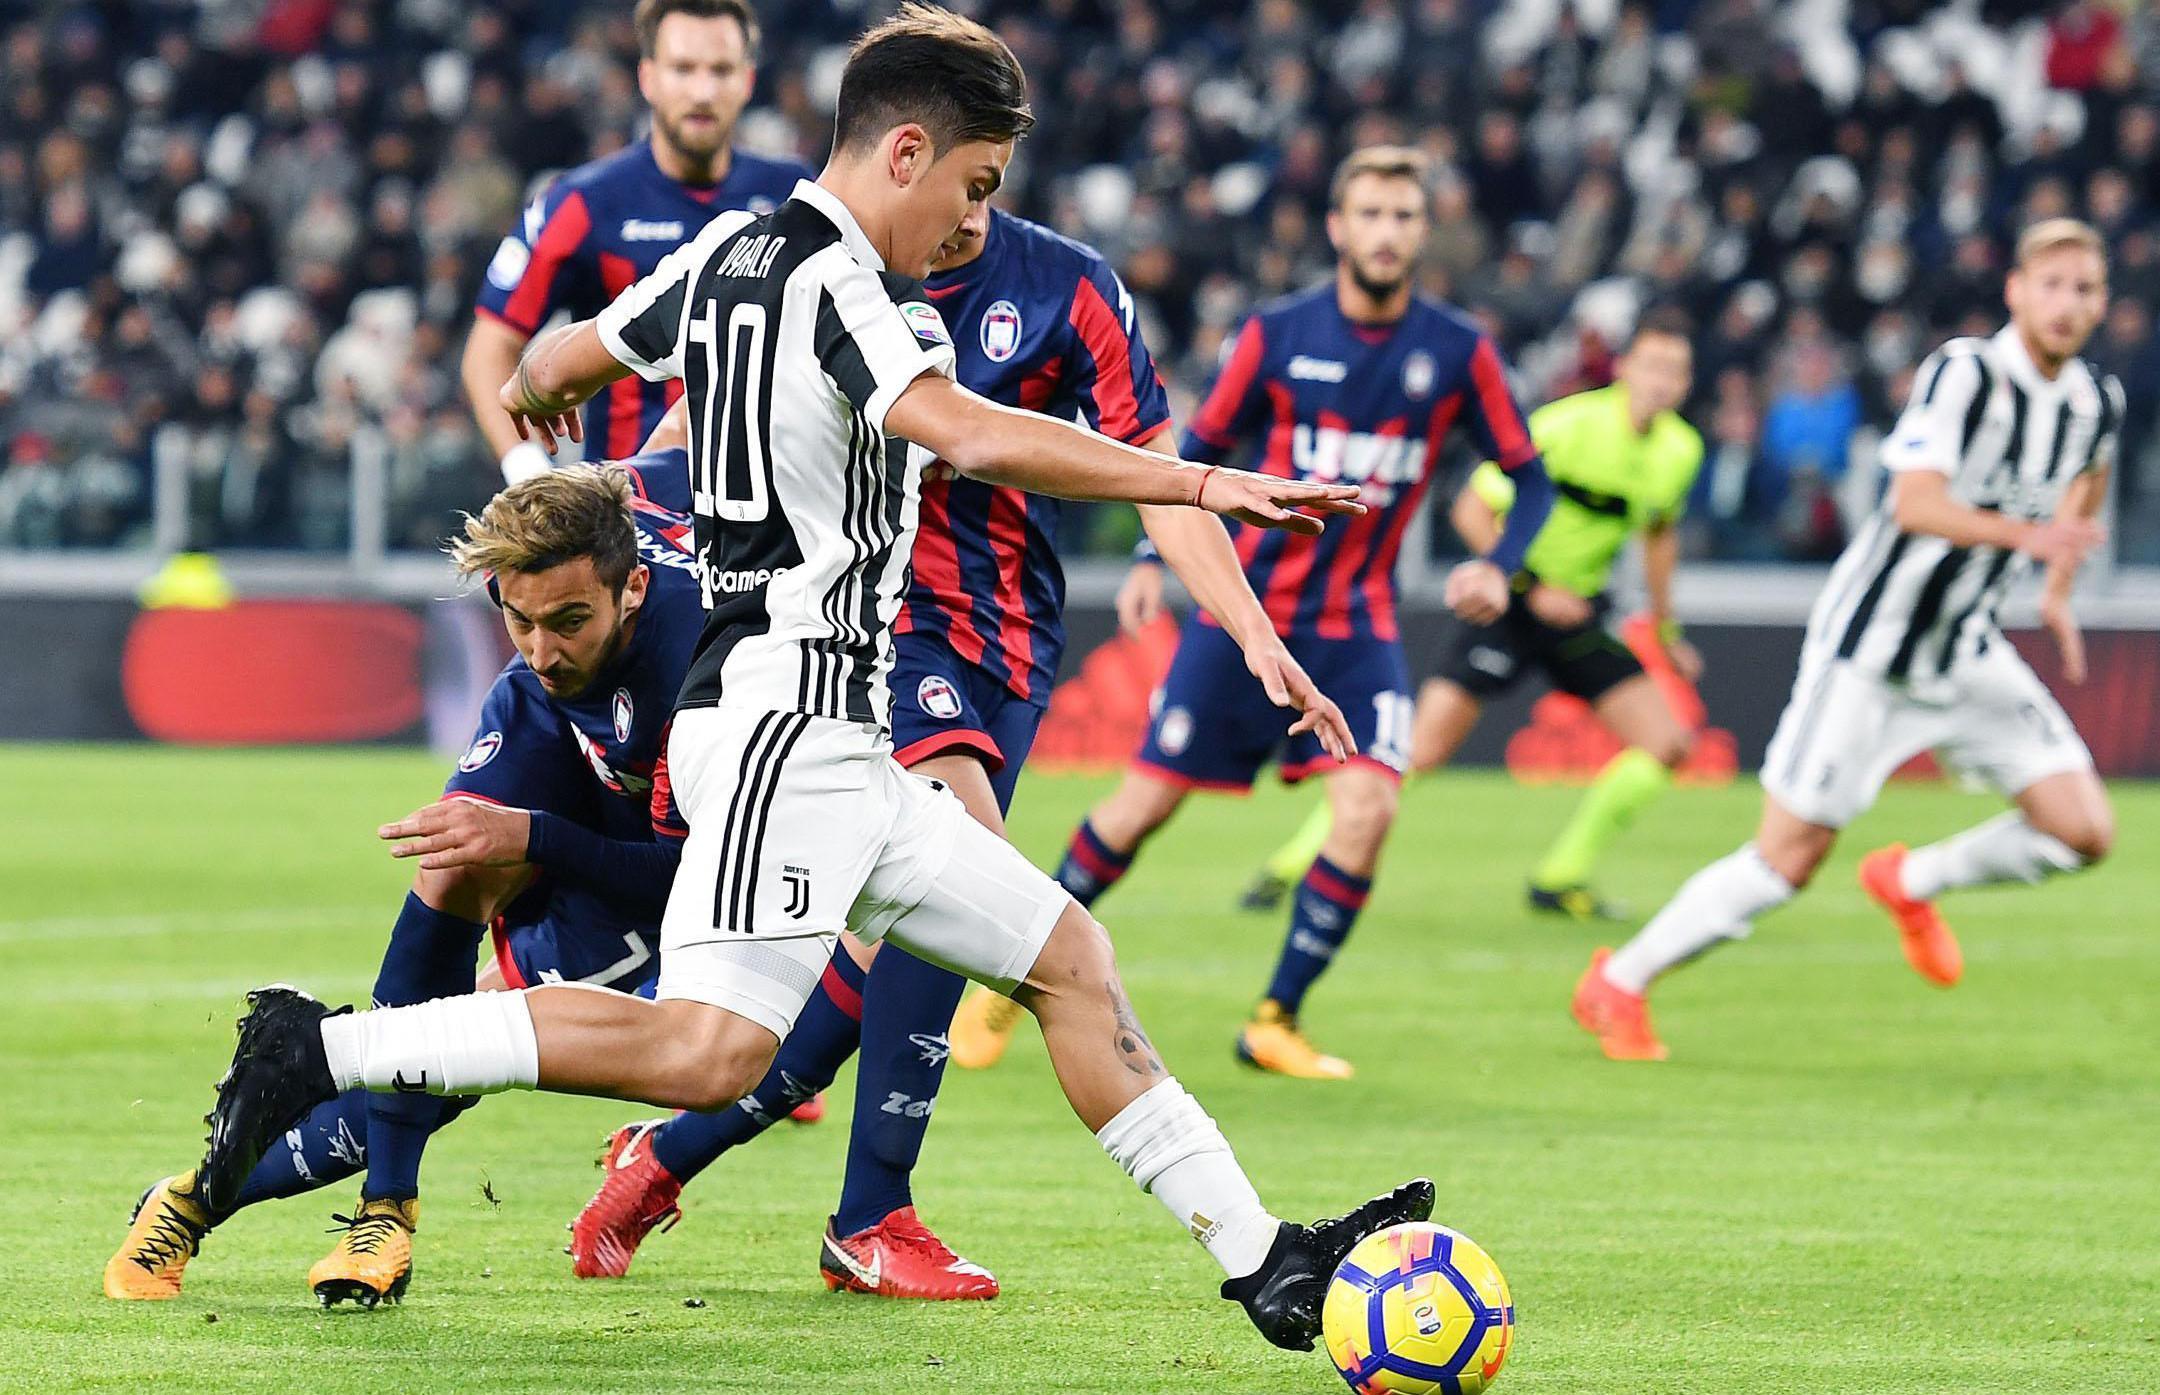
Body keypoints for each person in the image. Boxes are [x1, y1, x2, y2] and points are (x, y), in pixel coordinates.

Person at [187, 6, 1429, 1355]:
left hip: (839, 731)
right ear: (904, 150)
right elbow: (958, 427)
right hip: (785, 718)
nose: (971, 220)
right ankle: (321, 1051)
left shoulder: (728, 249)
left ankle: (1268, 1264)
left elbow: (558, 357)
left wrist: (550, 428)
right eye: (970, 183)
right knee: (708, 1051)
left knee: (1071, 959)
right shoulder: (839, 281)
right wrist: (1193, 478)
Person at [563, 196, 1353, 1299]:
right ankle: (872, 1212)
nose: (966, 206)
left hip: (1010, 642)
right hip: (869, 636)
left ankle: (676, 1155)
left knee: (905, 933)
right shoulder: (824, 263)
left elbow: (1155, 472)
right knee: (978, 900)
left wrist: (1256, 641)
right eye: (958, 177)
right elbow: (708, 426)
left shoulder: (1068, 287)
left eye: (987, 182)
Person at [949, 145, 1554, 1083]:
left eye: (1404, 216)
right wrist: (1157, 552)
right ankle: (1000, 989)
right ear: (1338, 227)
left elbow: (1530, 476)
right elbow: (1186, 449)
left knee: (1368, 808)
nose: (1387, 232)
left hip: (1359, 626)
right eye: (1371, 214)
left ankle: (1275, 1018)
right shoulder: (1277, 335)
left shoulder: (1458, 350)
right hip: (1243, 618)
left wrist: (1500, 564)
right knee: (1141, 807)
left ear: (1423, 232)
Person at [107, 445, 702, 1304]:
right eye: (517, 618)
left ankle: (195, 1198)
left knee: (475, 1045)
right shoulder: (596, 560)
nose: (539, 647)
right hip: (575, 754)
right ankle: (385, 1208)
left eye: (567, 620)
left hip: (656, 853)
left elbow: (690, 881)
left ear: (632, 589)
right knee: (452, 859)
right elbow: (663, 433)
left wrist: (532, 833)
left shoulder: (708, 666)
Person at [1571, 218, 2119, 1062]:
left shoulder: (2093, 402)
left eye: (2084, 288)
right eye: (2050, 283)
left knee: (2083, 830)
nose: (2066, 303)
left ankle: (1910, 879)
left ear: (2101, 303)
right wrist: (2028, 538)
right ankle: (1622, 979)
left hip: (1963, 647)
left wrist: (2057, 589)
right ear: (2015, 290)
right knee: (1786, 859)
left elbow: (2091, 474)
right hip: (1871, 647)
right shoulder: (1966, 372)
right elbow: (1914, 504)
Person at [1235, 314, 1708, 922]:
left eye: (1676, 371)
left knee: (1667, 742)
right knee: (1416, 752)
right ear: (1624, 369)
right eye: (1652, 365)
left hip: (1578, 616)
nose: (1662, 381)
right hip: (1509, 605)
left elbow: (1659, 537)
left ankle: (1561, 877)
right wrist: (1529, 588)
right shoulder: (1567, 425)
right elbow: (1473, 507)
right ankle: (1289, 867)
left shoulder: (1681, 451)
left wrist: (1667, 632)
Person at [464, 0, 807, 483]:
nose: (703, 91)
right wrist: (528, 472)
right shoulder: (585, 202)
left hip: (775, 510)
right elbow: (490, 346)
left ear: (748, 80)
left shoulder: (796, 195)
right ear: (647, 76)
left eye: (721, 70)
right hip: (631, 518)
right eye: (683, 69)